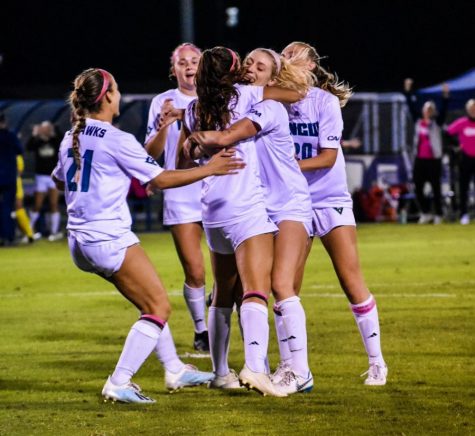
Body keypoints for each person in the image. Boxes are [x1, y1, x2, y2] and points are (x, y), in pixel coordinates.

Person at [51, 68, 245, 403]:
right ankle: (119, 381)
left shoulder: (72, 137)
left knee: (147, 302)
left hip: (79, 240)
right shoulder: (115, 139)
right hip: (107, 238)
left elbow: (58, 180)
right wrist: (210, 169)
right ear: (108, 96)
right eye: (118, 90)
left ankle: (174, 369)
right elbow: (158, 180)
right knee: (158, 306)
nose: (120, 96)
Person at [165, 46, 305, 397]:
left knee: (222, 293)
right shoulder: (249, 94)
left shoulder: (194, 108)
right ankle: (256, 368)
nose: (247, 68)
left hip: (212, 208)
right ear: (232, 72)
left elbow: (182, 165)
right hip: (245, 205)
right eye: (241, 64)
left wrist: (198, 150)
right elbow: (296, 93)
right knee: (256, 288)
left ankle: (219, 372)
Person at [281, 41, 388, 385]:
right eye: (282, 55)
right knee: (285, 287)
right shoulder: (274, 101)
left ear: (310, 66)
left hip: (329, 198)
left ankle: (377, 362)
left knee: (350, 280)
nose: (285, 60)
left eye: (292, 56)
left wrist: (287, 165)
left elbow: (327, 157)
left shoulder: (324, 102)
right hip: (294, 201)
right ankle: (292, 368)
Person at [145, 43, 210, 352]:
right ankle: (202, 330)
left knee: (232, 269)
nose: (188, 66)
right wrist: (163, 126)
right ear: (173, 69)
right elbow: (151, 154)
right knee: (195, 270)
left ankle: (221, 310)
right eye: (182, 62)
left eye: (194, 61)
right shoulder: (161, 102)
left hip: (219, 189)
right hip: (182, 192)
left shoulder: (217, 98)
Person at [403, 78, 449, 224]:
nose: (428, 111)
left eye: (430, 109)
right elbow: (411, 106)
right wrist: (408, 91)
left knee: (436, 188)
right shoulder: (418, 121)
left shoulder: (437, 123)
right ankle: (425, 212)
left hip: (434, 159)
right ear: (423, 110)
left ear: (433, 111)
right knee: (417, 187)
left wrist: (445, 96)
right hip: (420, 159)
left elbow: (444, 111)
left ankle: (439, 214)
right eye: (426, 109)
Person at [27, 120, 64, 240]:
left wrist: (55, 130)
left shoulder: (54, 141)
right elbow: (29, 147)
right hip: (41, 176)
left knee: (54, 204)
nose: (46, 130)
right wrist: (35, 133)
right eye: (44, 128)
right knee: (37, 204)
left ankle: (54, 232)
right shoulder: (38, 141)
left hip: (52, 176)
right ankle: (29, 231)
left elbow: (62, 141)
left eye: (47, 128)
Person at [446, 99, 475, 225]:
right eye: (471, 108)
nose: (473, 111)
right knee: (464, 188)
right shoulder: (462, 123)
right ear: (467, 110)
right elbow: (447, 133)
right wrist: (456, 146)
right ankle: (463, 214)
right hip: (465, 159)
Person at [0, 111, 23, 246]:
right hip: (8, 177)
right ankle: (8, 237)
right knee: (7, 207)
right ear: (4, 122)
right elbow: (20, 150)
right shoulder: (10, 135)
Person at [15, 155, 36, 243]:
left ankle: (29, 234)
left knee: (18, 206)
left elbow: (19, 171)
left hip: (13, 182)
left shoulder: (15, 154)